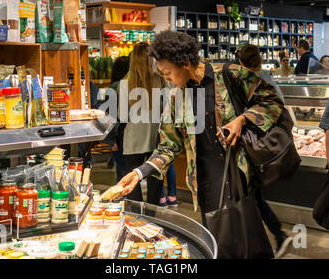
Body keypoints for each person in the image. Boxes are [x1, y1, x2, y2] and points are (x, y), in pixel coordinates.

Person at [116, 30, 284, 257]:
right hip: (204, 183)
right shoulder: (176, 95)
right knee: (218, 243)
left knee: (249, 244)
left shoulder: (230, 74)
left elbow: (272, 100)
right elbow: (169, 144)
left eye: (167, 73)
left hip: (238, 177)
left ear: (185, 63)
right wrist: (139, 173)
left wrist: (241, 120)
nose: (165, 79)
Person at [236, 44, 293, 258]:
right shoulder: (268, 77)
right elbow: (281, 104)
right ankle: (274, 236)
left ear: (241, 62)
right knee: (253, 195)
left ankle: (273, 237)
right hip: (267, 146)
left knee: (251, 195)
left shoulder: (244, 81)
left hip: (253, 147)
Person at [119, 42, 166, 205]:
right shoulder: (160, 81)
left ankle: (136, 219)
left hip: (133, 139)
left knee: (132, 182)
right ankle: (153, 216)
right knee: (155, 179)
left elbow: (122, 116)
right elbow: (167, 110)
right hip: (156, 137)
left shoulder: (125, 82)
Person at [103, 56, 130, 182]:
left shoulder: (115, 87)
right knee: (125, 170)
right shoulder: (132, 86)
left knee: (123, 171)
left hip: (119, 135)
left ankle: (125, 198)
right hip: (129, 135)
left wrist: (111, 139)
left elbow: (109, 116)